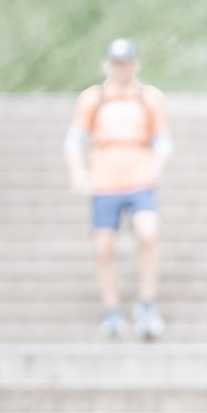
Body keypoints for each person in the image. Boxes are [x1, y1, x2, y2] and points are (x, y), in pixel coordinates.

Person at [67, 38, 171, 339]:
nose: (121, 69)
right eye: (116, 64)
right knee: (104, 245)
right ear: (108, 65)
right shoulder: (94, 98)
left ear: (134, 65)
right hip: (105, 180)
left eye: (126, 64)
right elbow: (75, 139)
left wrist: (156, 167)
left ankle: (147, 302)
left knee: (148, 232)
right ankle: (111, 307)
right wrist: (78, 172)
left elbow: (163, 139)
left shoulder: (148, 98)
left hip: (139, 177)